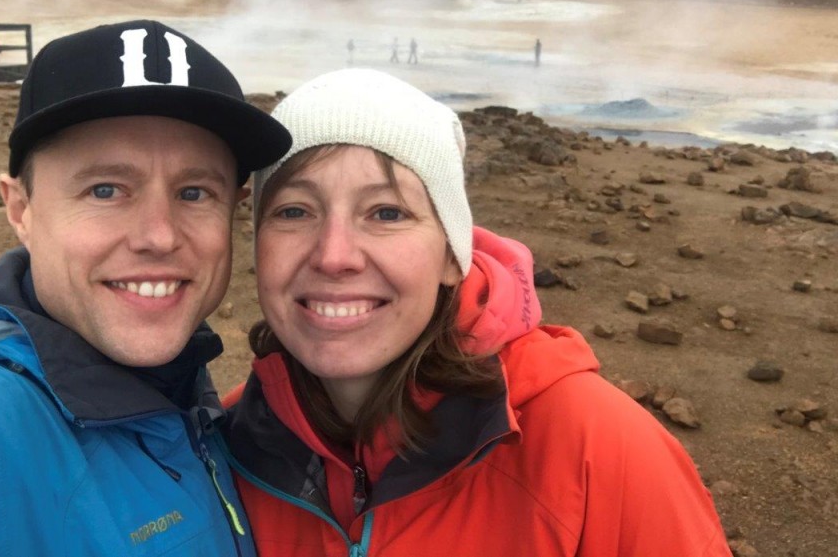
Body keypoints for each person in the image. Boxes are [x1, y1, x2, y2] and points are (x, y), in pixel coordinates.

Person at [0, 19, 292, 556]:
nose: (159, 235)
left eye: (195, 192)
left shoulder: (196, 400)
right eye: (106, 189)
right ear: (20, 209)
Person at [222, 68, 731, 556]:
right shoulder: (226, 448)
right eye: (294, 211)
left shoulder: (596, 449)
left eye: (387, 212)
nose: (334, 256)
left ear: (451, 255)